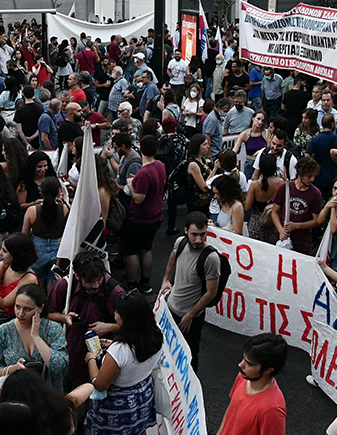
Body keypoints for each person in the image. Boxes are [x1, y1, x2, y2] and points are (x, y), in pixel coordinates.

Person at [64, 293, 162, 435]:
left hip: (118, 406)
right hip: (142, 396)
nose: (114, 315)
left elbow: (100, 384)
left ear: (127, 319)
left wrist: (91, 359)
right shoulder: (156, 335)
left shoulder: (119, 351)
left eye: (117, 312)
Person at [45, 251, 124, 390]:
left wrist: (109, 327)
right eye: (90, 282)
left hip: (101, 358)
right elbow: (47, 313)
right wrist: (64, 318)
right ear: (77, 276)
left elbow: (134, 325)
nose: (96, 285)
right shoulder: (66, 285)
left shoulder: (114, 292)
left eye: (99, 280)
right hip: (69, 353)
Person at [0, 282, 68, 390]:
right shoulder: (3, 332)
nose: (21, 313)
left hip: (47, 395)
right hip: (14, 394)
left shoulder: (53, 329)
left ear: (40, 308)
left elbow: (59, 367)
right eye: (17, 307)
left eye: (27, 309)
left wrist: (36, 337)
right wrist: (12, 369)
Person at [160, 211, 221, 353]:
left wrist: (191, 315)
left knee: (188, 355)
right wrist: (165, 279)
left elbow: (211, 293)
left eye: (202, 234)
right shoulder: (180, 242)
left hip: (189, 319)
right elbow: (173, 257)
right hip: (171, 309)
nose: (198, 240)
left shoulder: (211, 258)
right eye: (194, 235)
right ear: (186, 231)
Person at [215, 333, 289, 435]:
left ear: (268, 370)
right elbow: (230, 412)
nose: (240, 365)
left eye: (249, 364)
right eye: (243, 359)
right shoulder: (243, 377)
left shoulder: (272, 409)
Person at [120, 134, 165, 293]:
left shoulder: (144, 172)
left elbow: (138, 199)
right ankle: (145, 283)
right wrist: (137, 182)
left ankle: (131, 285)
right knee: (146, 249)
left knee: (131, 252)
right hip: (156, 215)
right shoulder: (160, 165)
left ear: (141, 149)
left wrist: (131, 185)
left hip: (141, 218)